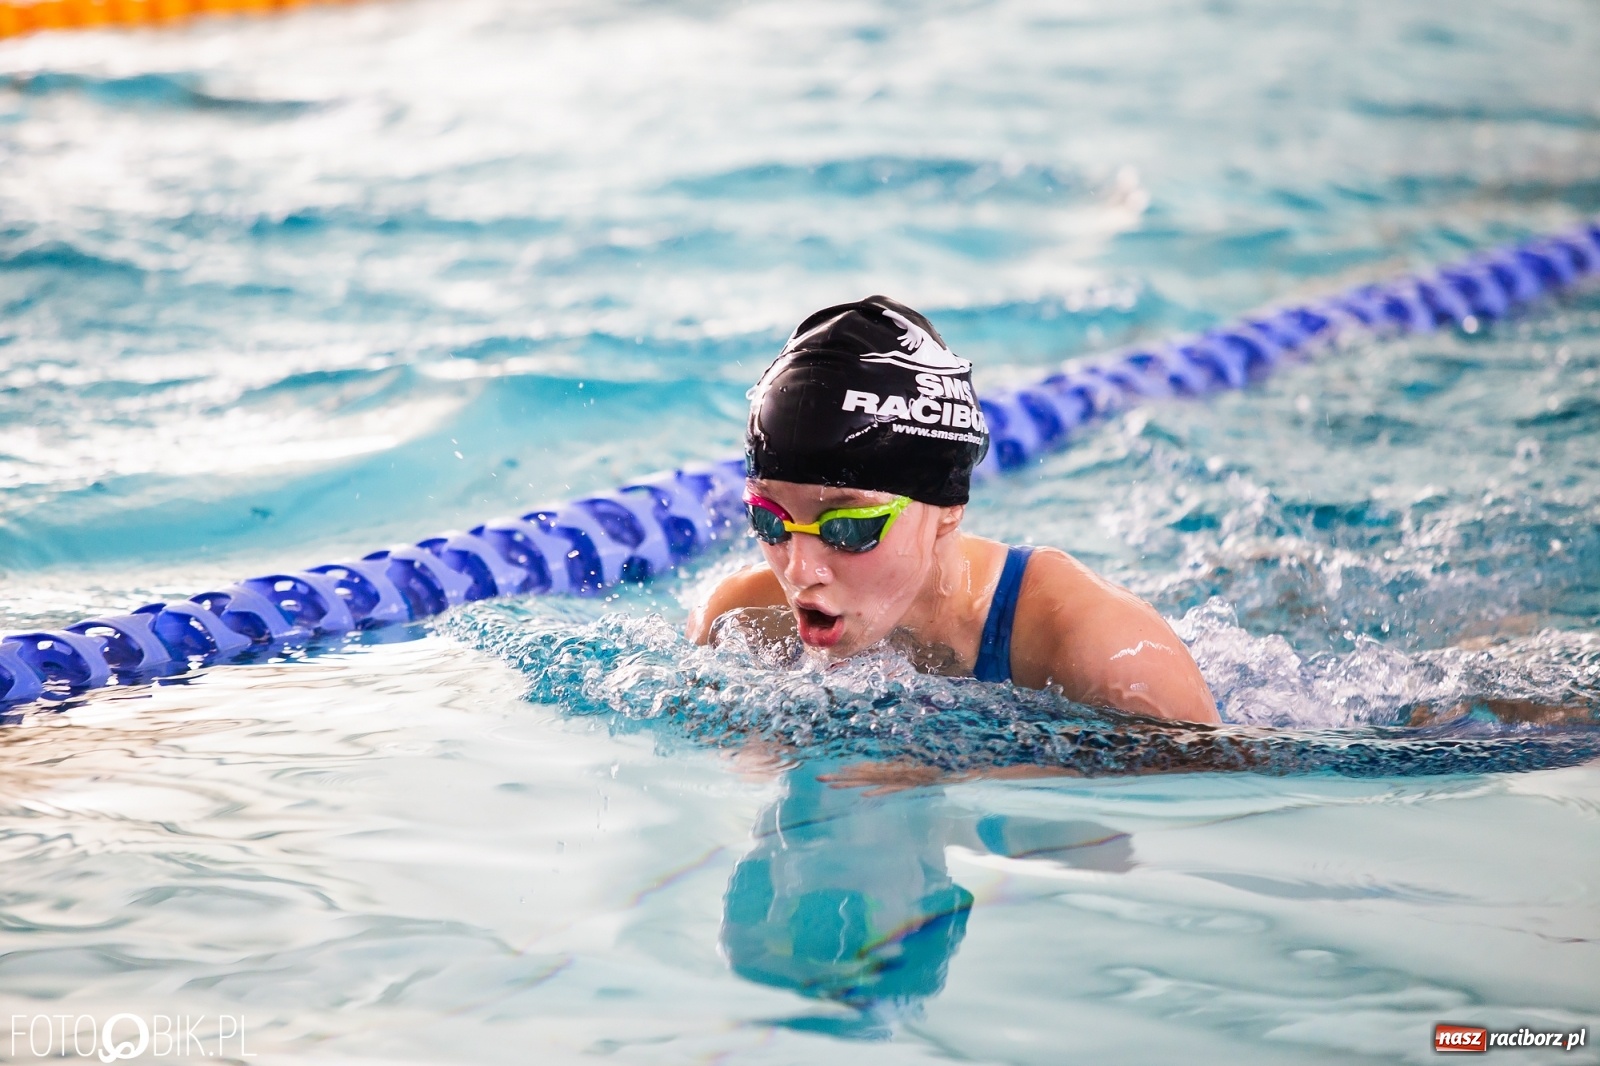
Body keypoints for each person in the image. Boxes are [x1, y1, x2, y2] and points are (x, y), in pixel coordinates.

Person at [687, 295, 1220, 726]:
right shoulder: (739, 622)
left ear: (947, 507)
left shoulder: (1103, 649)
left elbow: (1222, 788)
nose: (800, 569)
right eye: (770, 520)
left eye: (847, 527)